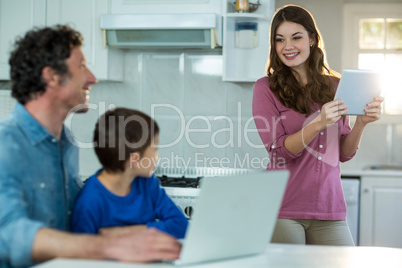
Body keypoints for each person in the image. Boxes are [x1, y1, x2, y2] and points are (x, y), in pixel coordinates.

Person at [0, 25, 181, 268]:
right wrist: (107, 245)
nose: (93, 78)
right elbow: (9, 233)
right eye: (82, 66)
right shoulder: (6, 143)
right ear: (52, 76)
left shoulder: (66, 142)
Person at [252, 5, 383, 246]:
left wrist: (361, 124)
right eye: (280, 39)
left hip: (329, 207)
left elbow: (344, 153)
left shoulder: (335, 86)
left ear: (312, 39)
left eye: (297, 37)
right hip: (284, 208)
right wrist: (318, 123)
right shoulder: (265, 88)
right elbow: (279, 151)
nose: (288, 46)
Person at [72, 108, 188, 238]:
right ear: (135, 160)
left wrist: (127, 232)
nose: (157, 156)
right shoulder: (90, 200)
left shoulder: (147, 184)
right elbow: (82, 251)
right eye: (154, 150)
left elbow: (181, 225)